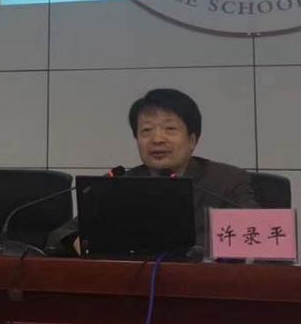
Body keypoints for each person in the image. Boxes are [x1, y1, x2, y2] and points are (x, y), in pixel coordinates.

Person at [48, 88, 258, 253]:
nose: (157, 139)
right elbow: (61, 234)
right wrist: (79, 242)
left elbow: (258, 236)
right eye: (146, 130)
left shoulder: (226, 182)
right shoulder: (120, 183)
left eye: (170, 129)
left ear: (192, 140)